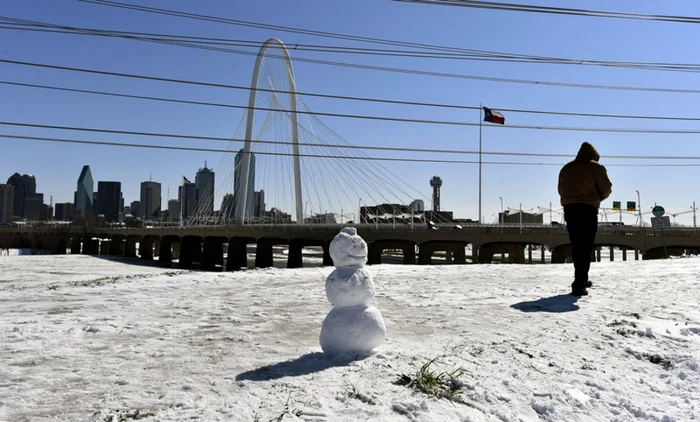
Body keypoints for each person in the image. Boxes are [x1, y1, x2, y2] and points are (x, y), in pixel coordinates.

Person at [558, 142, 612, 296]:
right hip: (588, 209)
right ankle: (579, 284)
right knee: (586, 246)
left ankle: (582, 278)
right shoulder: (596, 167)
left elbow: (560, 189)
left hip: (570, 209)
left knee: (576, 245)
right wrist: (596, 198)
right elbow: (606, 188)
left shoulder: (566, 168)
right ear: (594, 156)